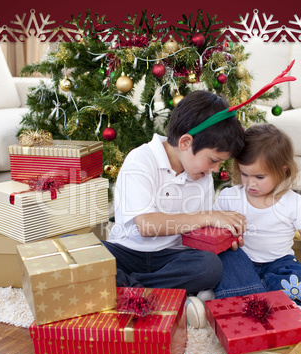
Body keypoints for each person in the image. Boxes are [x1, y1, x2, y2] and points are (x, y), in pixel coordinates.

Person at [103, 90, 246, 327]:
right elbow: (147, 225)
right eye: (213, 160)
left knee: (210, 266)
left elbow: (195, 230)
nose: (215, 168)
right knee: (84, 252)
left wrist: (219, 238)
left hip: (170, 257)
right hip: (127, 252)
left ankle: (131, 291)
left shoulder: (202, 176)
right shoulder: (140, 160)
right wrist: (208, 216)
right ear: (186, 142)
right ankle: (168, 297)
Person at [213, 123, 301, 305]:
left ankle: (254, 289)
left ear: (282, 170)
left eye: (259, 177)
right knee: (223, 262)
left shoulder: (294, 203)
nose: (251, 183)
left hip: (279, 264)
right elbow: (211, 229)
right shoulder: (230, 197)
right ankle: (258, 291)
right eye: (245, 174)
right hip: (242, 261)